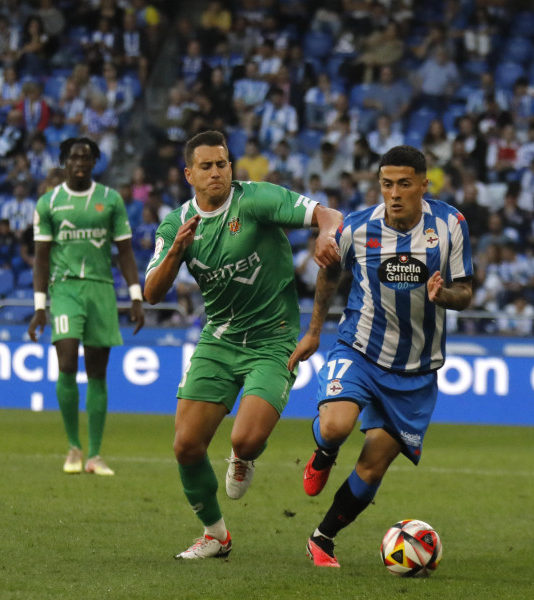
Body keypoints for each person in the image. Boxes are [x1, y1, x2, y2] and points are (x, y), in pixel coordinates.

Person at [143, 130, 342, 560]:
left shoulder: (255, 199)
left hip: (274, 340)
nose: (217, 172)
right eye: (207, 166)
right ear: (189, 174)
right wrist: (176, 252)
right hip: (220, 339)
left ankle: (243, 456)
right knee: (186, 446)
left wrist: (326, 235)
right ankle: (215, 534)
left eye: (223, 163)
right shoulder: (176, 224)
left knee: (246, 440)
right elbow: (151, 293)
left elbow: (329, 215)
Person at [287, 145, 474, 568]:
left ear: (424, 185)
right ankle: (324, 451)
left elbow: (465, 291)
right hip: (360, 349)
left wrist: (444, 294)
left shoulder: (450, 225)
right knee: (335, 427)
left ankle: (323, 539)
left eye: (404, 184)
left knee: (372, 467)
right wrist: (314, 331)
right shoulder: (358, 228)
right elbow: (330, 272)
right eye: (387, 184)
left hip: (416, 371)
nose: (394, 193)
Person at [28, 137, 145, 477]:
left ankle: (94, 455)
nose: (80, 161)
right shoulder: (49, 203)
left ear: (95, 162)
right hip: (64, 289)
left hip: (101, 290)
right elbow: (41, 258)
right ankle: (73, 447)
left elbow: (125, 252)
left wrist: (135, 296)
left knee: (97, 371)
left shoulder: (110, 201)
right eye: (74, 157)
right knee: (66, 362)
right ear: (64, 161)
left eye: (87, 156)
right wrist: (40, 307)